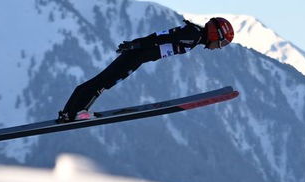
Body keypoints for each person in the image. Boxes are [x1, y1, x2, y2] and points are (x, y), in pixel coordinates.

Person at [58, 16, 235, 122]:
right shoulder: (193, 36)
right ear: (215, 35)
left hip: (138, 55)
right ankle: (77, 113)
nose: (219, 47)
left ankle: (68, 113)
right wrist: (135, 45)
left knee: (103, 81)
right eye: (222, 43)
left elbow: (161, 37)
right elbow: (160, 39)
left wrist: (136, 44)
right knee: (103, 82)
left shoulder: (194, 34)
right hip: (137, 55)